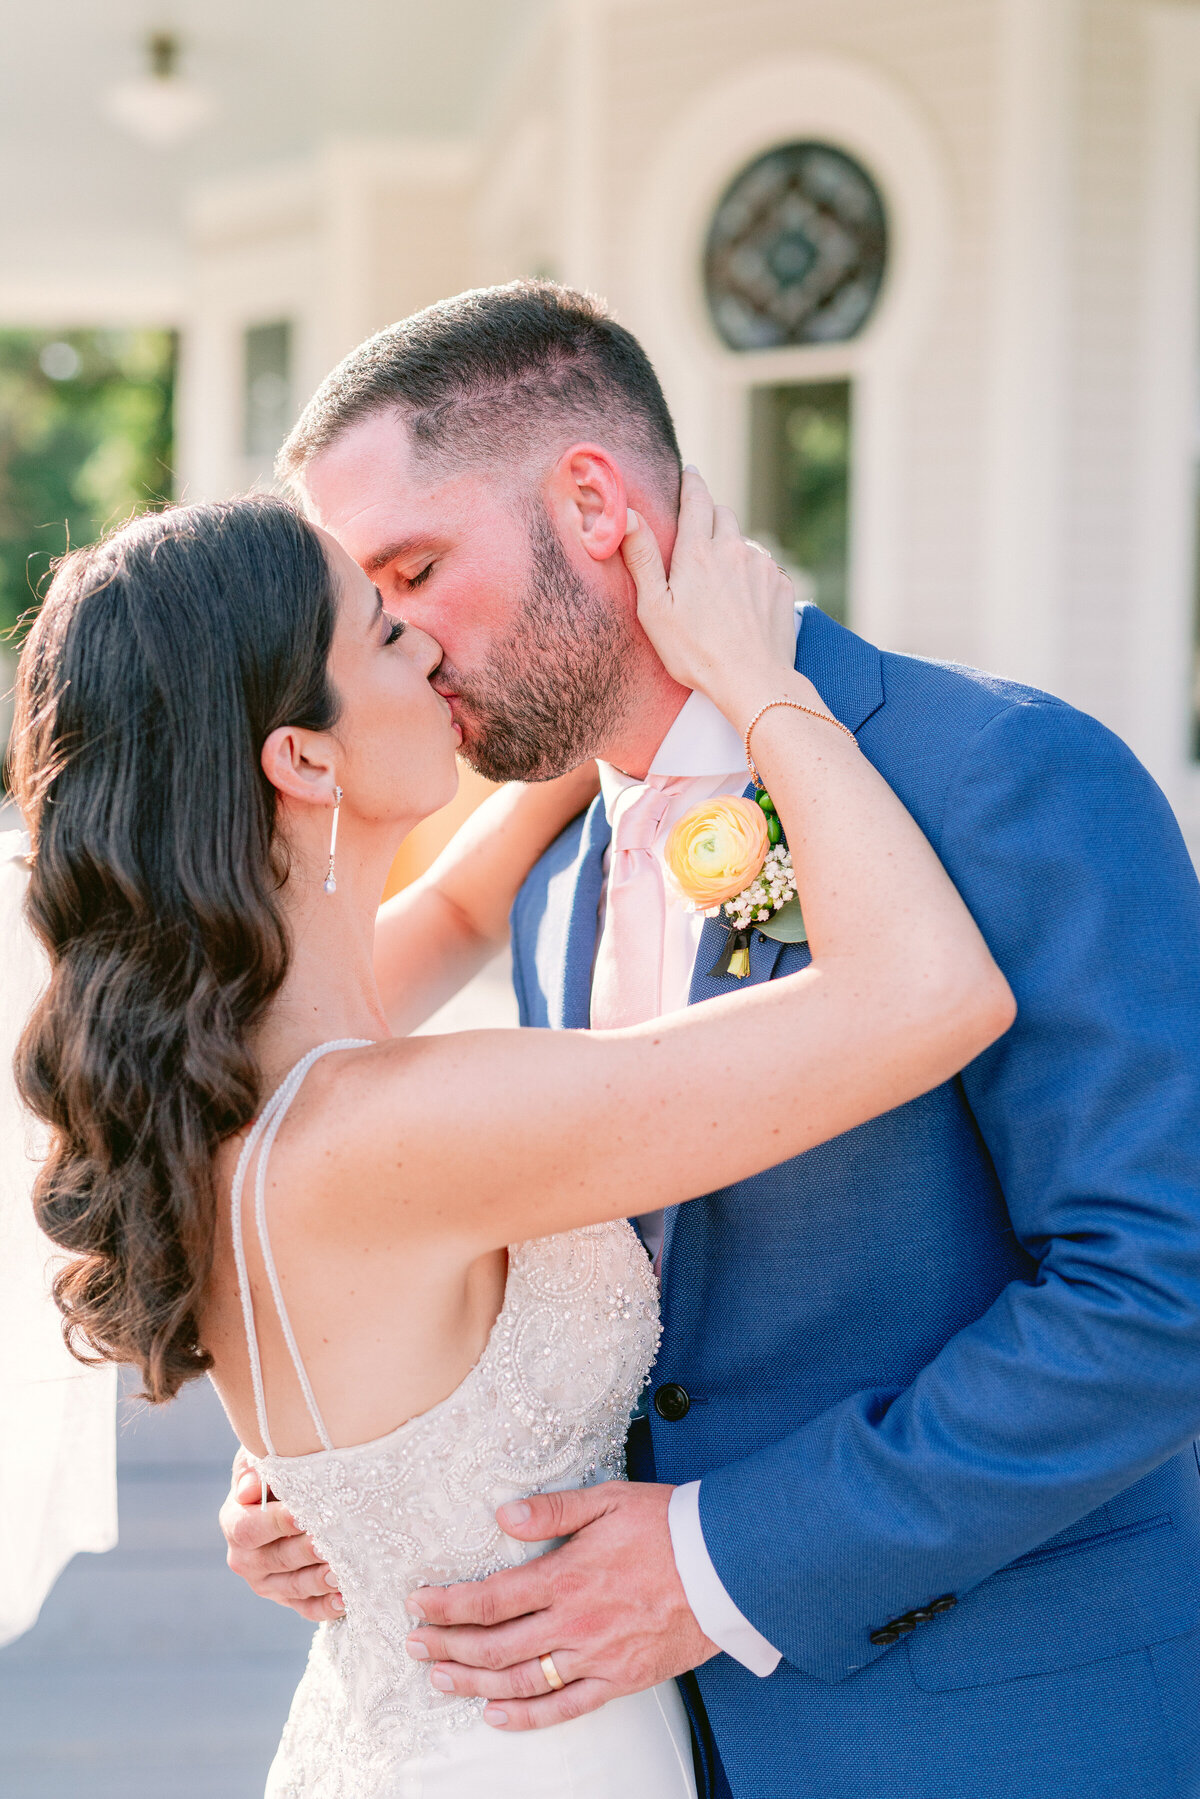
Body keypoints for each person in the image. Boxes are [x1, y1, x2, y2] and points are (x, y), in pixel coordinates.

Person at [222, 282, 1200, 1799]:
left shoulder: (1006, 775)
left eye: (412, 569)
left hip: (1003, 1737)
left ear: (595, 505)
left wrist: (715, 1559)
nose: (399, 644)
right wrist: (354, 1460)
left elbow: (1160, 1296)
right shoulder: (544, 882)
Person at [8, 481, 1010, 1797]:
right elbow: (934, 997)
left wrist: (605, 682)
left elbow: (473, 900)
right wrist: (758, 681)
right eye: (378, 633)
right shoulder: (405, 1121)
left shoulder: (221, 1076)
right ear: (304, 758)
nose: (425, 644)